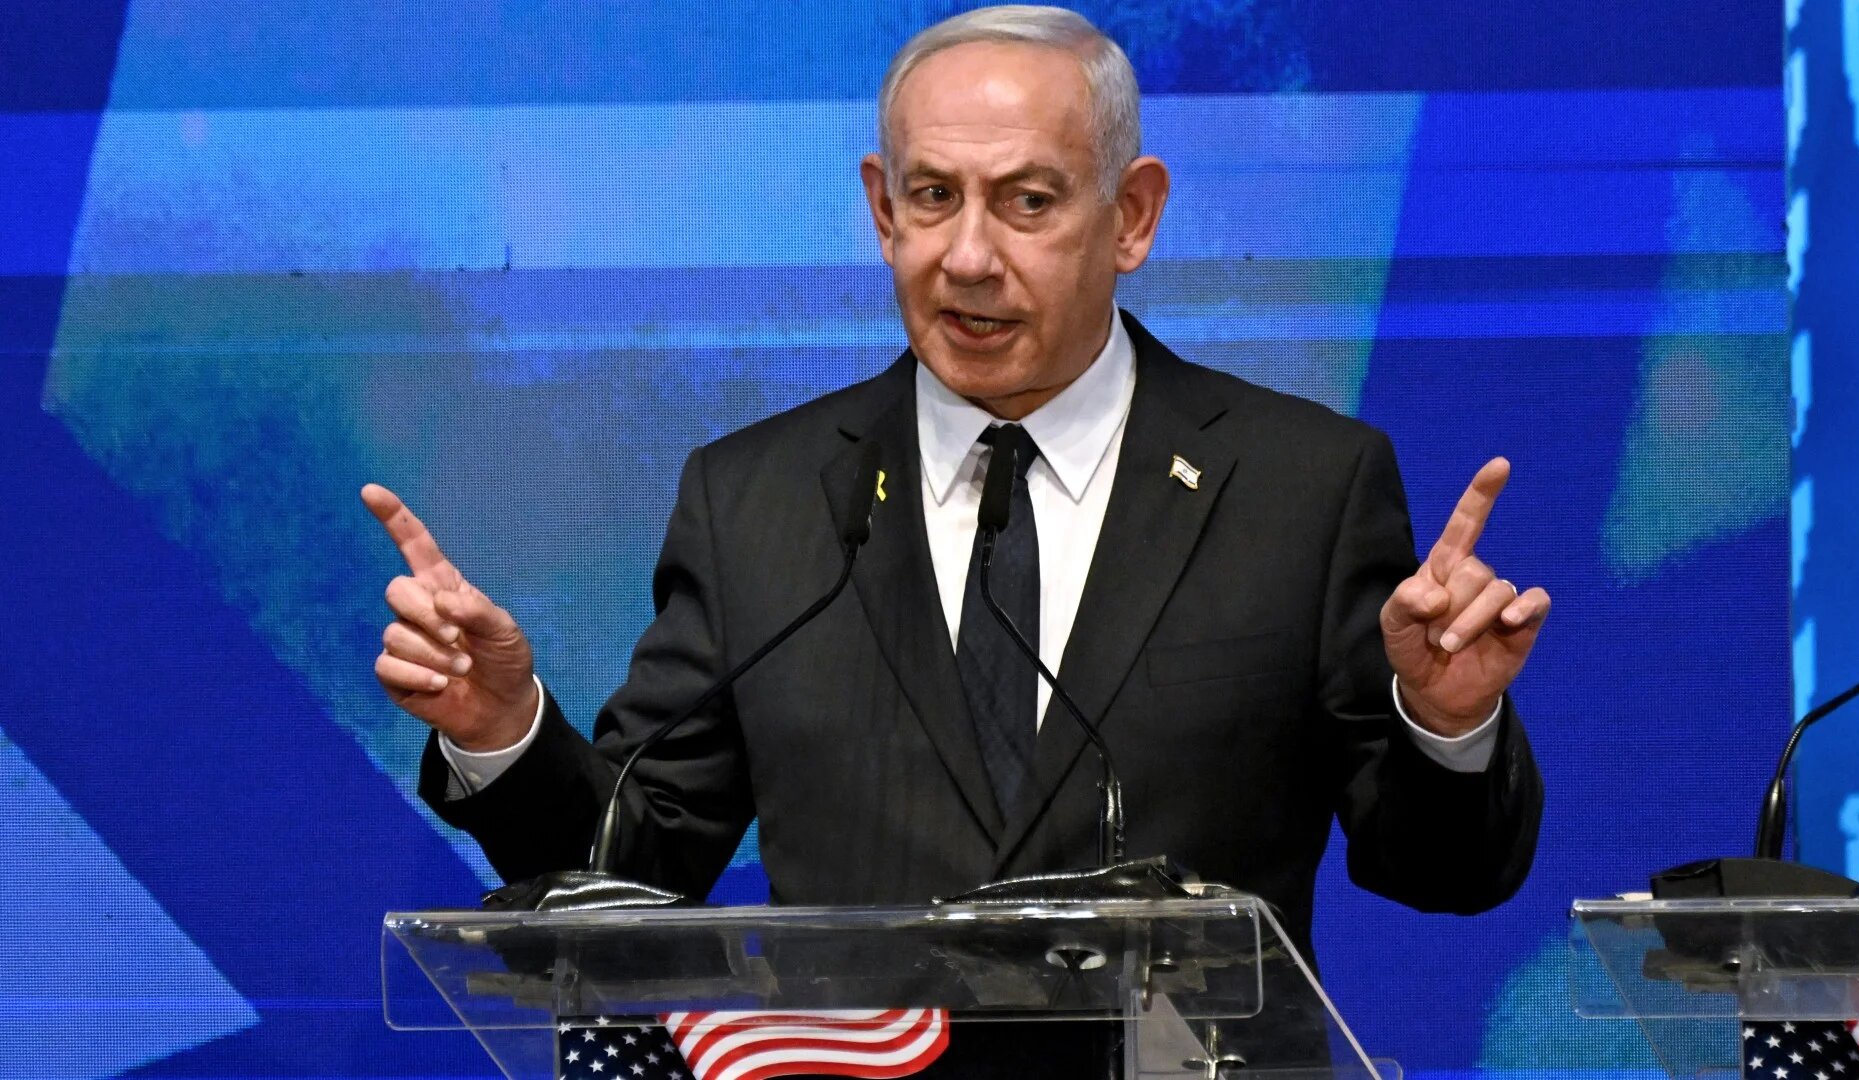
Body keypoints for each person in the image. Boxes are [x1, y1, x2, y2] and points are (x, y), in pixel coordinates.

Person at [363, 4, 1546, 1071]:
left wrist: (1445, 725)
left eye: (1028, 201)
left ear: (1131, 216)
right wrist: (503, 733)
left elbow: (1442, 874)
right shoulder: (758, 500)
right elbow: (637, 871)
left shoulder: (1301, 486)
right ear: (883, 208)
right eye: (933, 198)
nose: (968, 255)